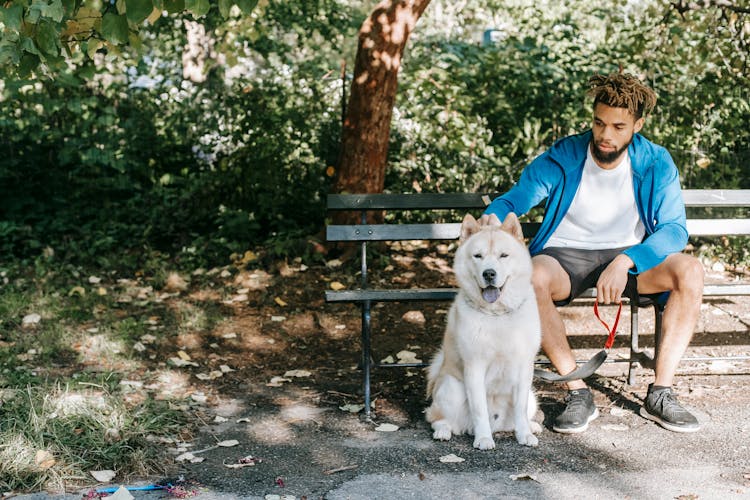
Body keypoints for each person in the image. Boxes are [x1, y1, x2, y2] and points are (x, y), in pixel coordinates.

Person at [484, 71, 704, 434]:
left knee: (690, 271)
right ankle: (577, 391)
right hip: (566, 254)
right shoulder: (565, 155)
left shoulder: (655, 162)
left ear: (638, 124)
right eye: (599, 123)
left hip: (630, 257)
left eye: (619, 126)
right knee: (531, 276)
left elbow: (674, 229)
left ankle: (661, 393)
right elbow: (516, 197)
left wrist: (626, 260)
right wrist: (494, 214)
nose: (606, 135)